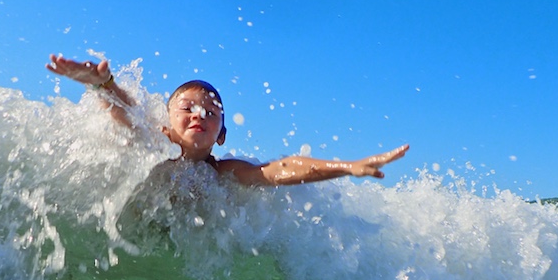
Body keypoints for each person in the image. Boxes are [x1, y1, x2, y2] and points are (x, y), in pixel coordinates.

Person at [46, 54, 409, 186]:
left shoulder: (220, 174)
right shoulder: (159, 142)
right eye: (186, 107)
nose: (198, 114)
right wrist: (104, 85)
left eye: (211, 111)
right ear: (169, 120)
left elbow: (281, 168)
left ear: (221, 135)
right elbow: (129, 116)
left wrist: (347, 166)